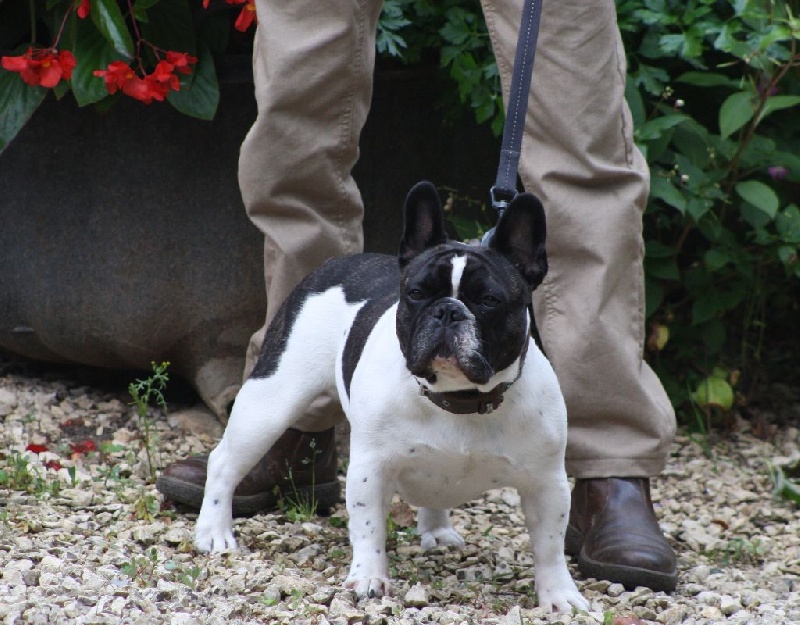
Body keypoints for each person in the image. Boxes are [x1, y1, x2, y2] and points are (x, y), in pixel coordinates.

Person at [156, 0, 678, 592]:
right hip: (350, 331)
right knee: (297, 118)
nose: (449, 320)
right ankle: (296, 430)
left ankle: (610, 465)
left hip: (518, 391)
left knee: (577, 125)